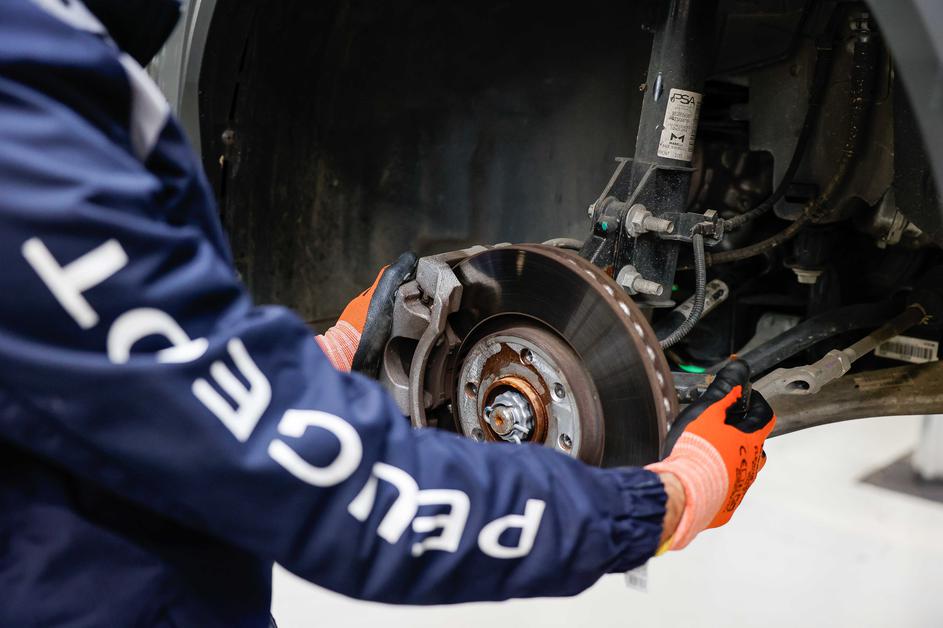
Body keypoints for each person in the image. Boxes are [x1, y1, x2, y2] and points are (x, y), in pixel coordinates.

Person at [0, 1, 776, 626]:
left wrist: (327, 354)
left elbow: (123, 389)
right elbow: (340, 494)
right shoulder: (25, 128)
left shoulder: (42, 73)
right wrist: (664, 502)